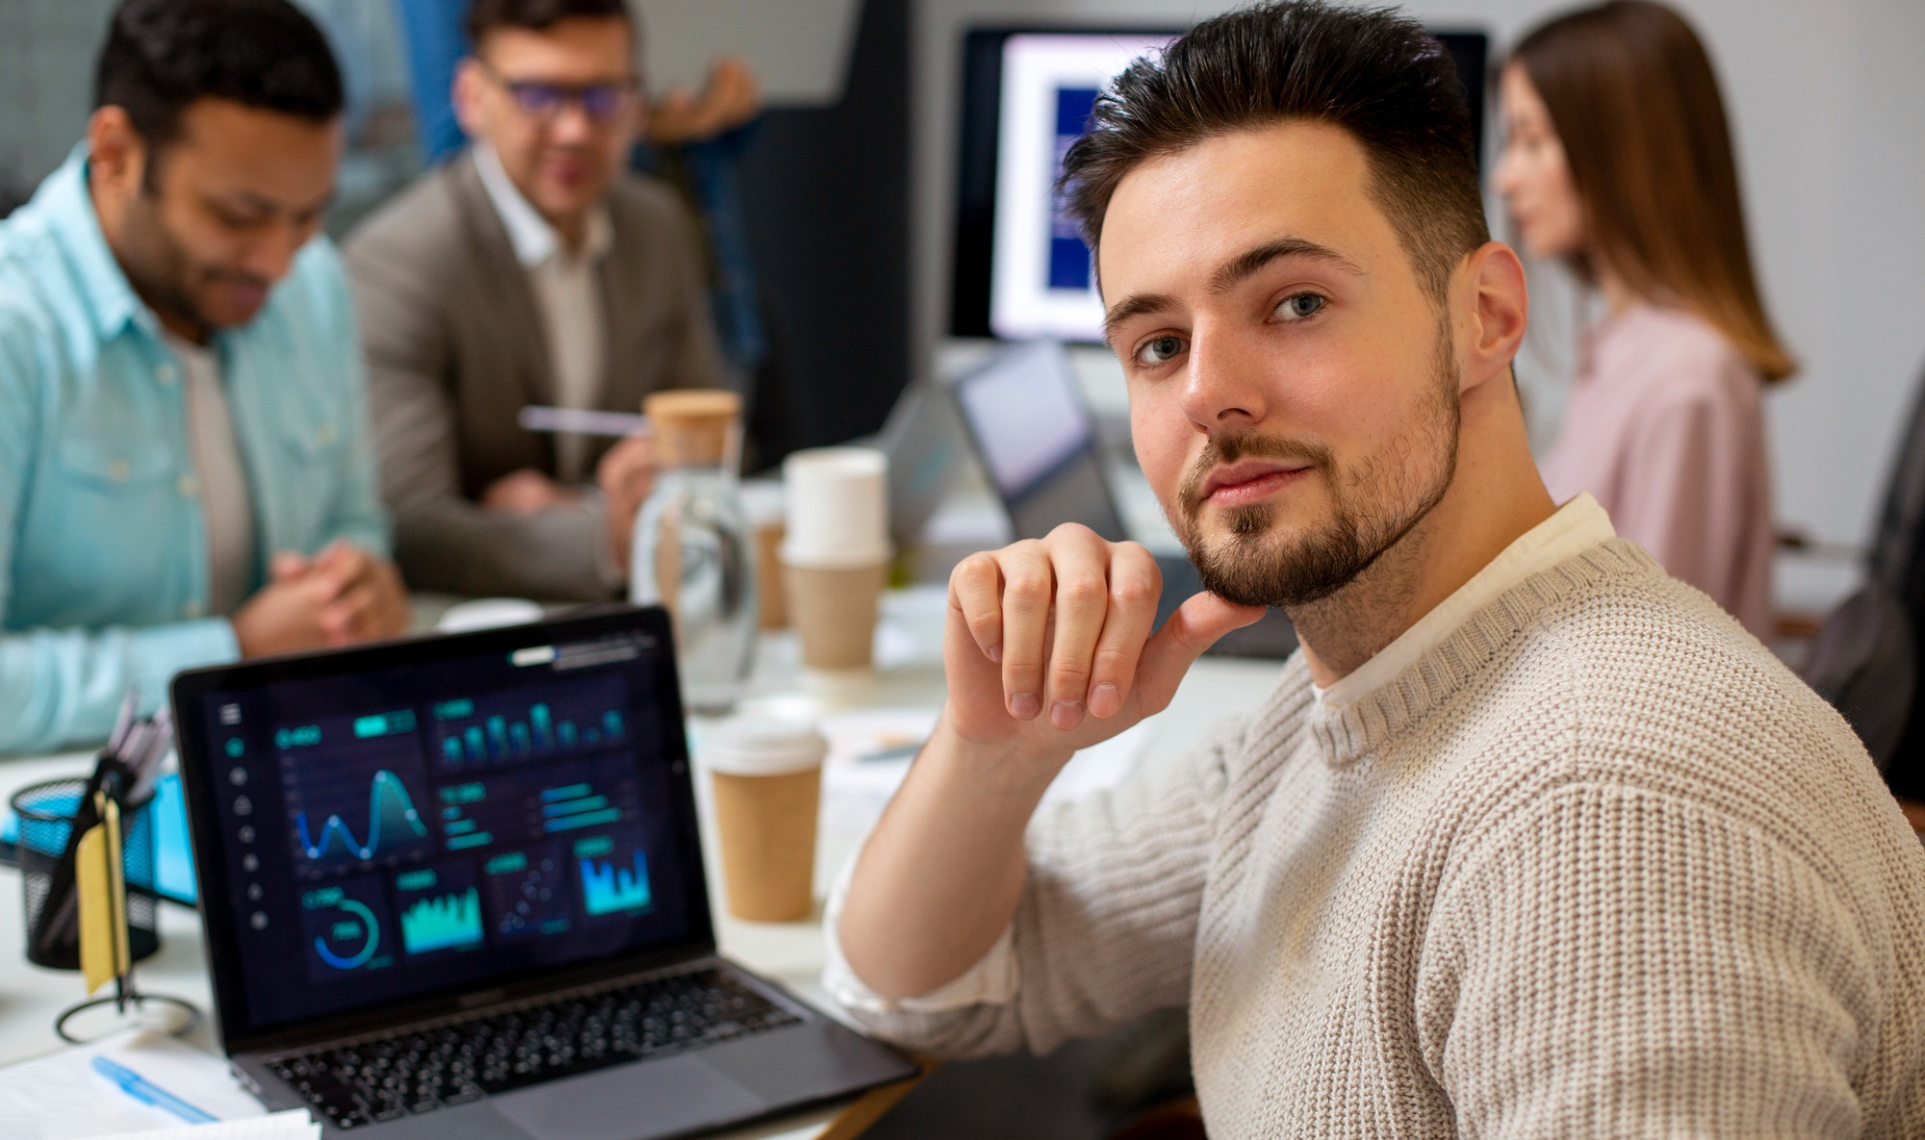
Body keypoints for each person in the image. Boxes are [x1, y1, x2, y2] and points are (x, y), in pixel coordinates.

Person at [825, 3, 1925, 1136]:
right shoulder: (1338, 705)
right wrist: (996, 750)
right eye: (1156, 344)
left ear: (1484, 316)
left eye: (1293, 303)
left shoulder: (1610, 812)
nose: (1206, 393)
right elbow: (920, 986)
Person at [0, 0, 407, 754]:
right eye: (238, 215)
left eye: (308, 215)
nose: (276, 259)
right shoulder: (16, 328)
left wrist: (356, 584)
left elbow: (355, 520)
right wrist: (227, 652)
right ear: (116, 152)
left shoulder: (312, 285)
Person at [345, 0, 730, 602]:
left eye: (604, 97)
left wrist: (569, 510)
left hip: (649, 613)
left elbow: (712, 443)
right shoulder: (400, 260)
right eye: (538, 95)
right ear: (472, 98)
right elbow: (412, 527)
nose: (575, 129)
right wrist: (601, 534)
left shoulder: (656, 227)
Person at [1494, 0, 1793, 640]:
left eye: (1531, 139)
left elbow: (1658, 653)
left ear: (1621, 151)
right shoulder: (1624, 351)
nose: (1505, 176)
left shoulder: (1686, 382)